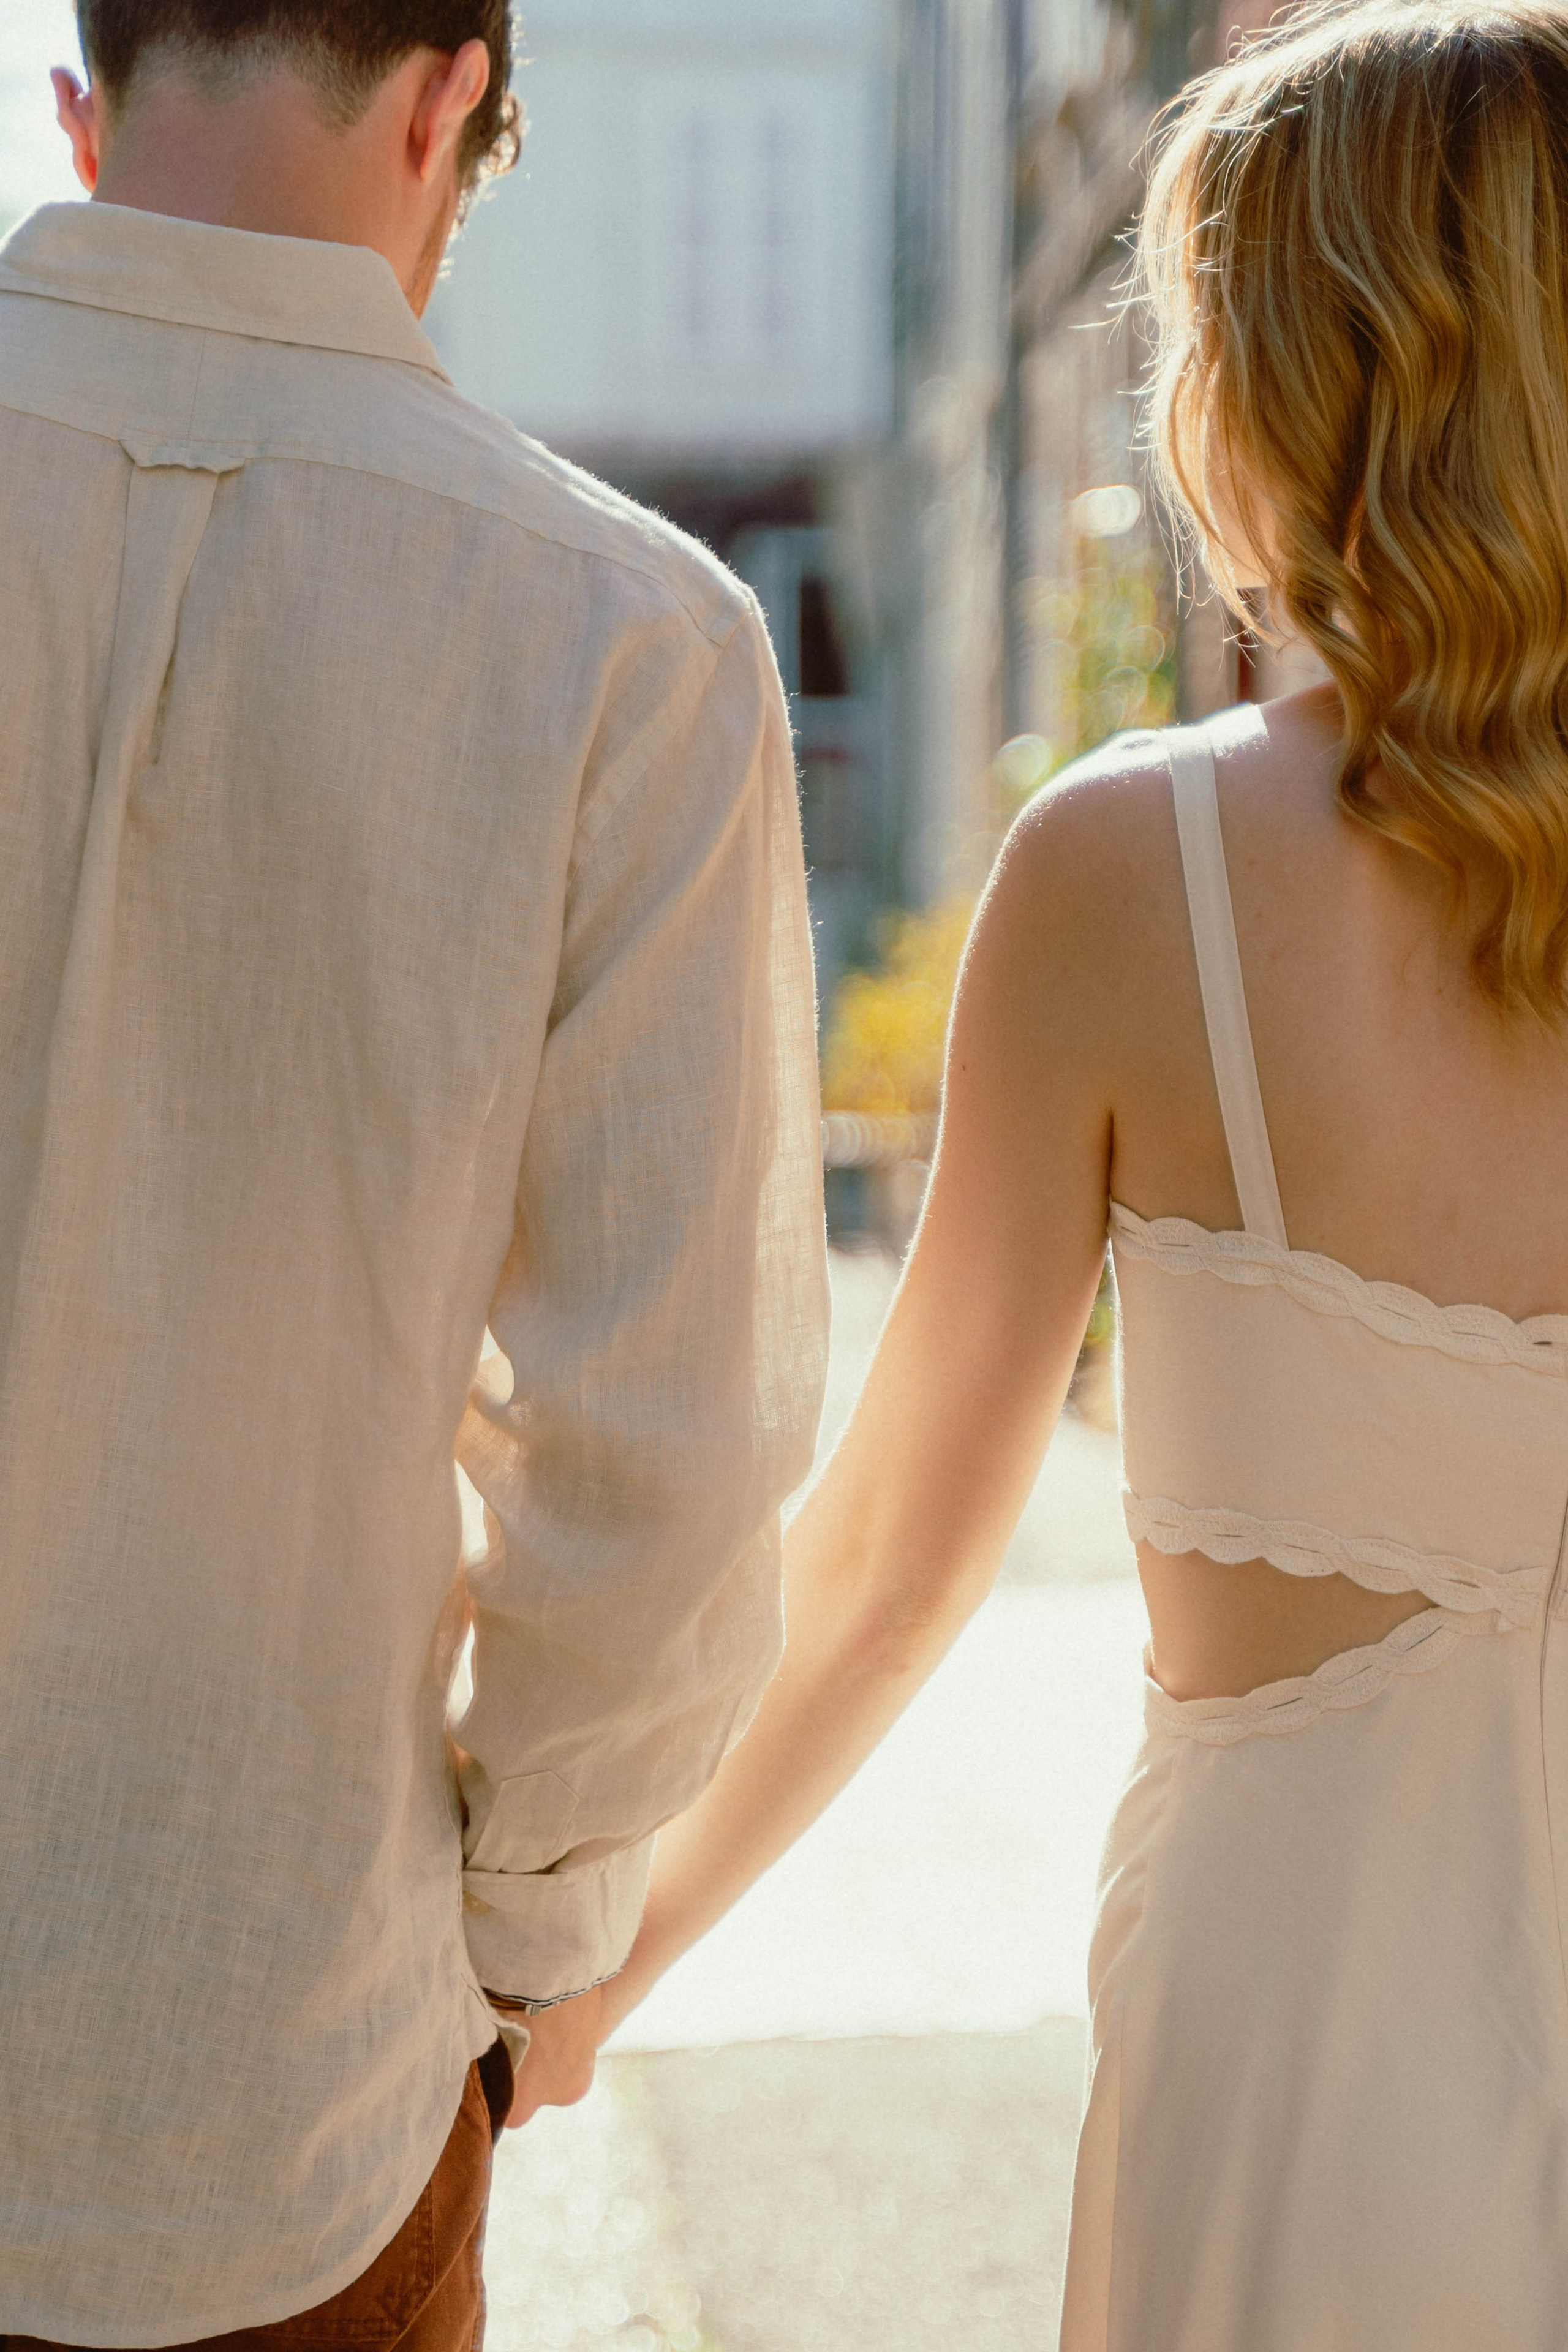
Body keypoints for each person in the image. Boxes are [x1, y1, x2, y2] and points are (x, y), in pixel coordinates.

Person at [593, 3, 1568, 2344]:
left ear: (1282, 385)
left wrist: (571, 1987)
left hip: (1295, 2094)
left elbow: (891, 1567)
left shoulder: (1136, 874)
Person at [0, 5, 827, 2346]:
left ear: (91, 94)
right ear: (453, 94)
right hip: (283, 2095)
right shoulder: (633, 647)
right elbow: (663, 1460)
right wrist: (526, 1956)